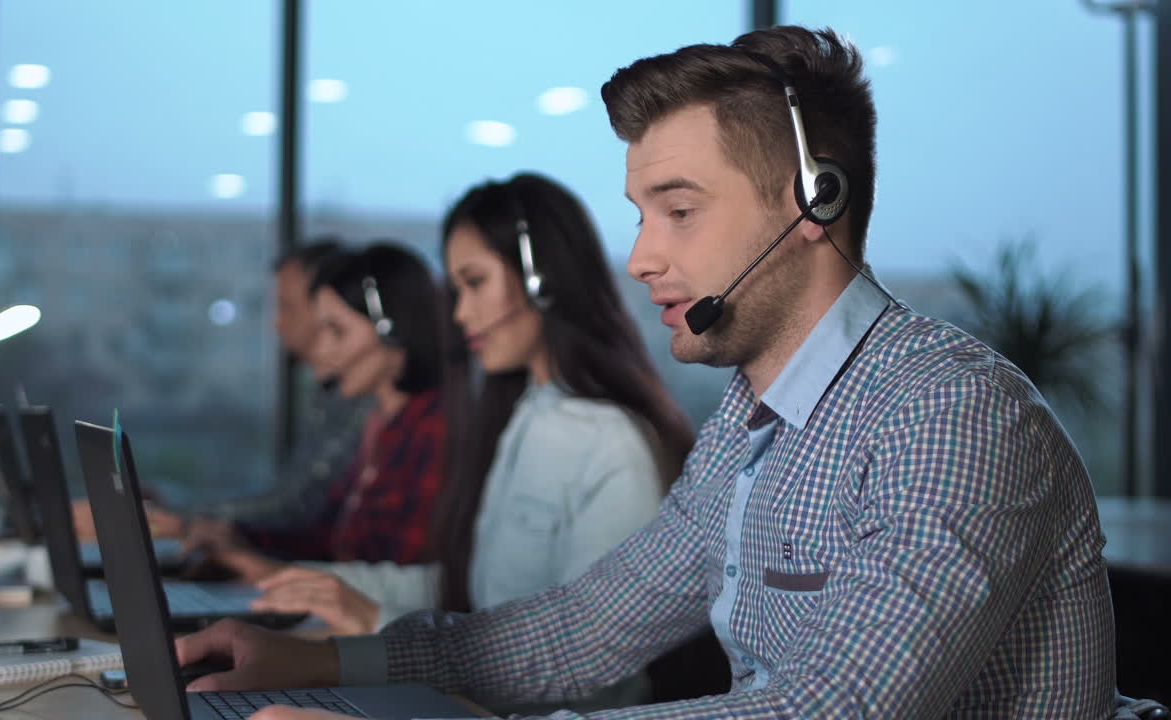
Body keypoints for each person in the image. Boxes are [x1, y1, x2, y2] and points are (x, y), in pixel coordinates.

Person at [174, 26, 1116, 718]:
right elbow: (584, 629)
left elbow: (838, 708)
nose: (639, 260)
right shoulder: (753, 425)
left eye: (678, 211)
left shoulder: (952, 411)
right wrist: (326, 663)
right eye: (639, 215)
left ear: (812, 203)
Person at [243, 173, 696, 715]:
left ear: (539, 279)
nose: (459, 315)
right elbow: (472, 589)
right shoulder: (524, 413)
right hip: (465, 695)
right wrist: (313, 583)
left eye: (474, 283)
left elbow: (593, 667)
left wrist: (374, 628)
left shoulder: (613, 445)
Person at [70, 240, 366, 544]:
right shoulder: (331, 394)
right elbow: (288, 498)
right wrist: (170, 506)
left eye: (288, 307)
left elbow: (295, 510)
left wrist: (176, 519)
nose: (276, 323)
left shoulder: (362, 399)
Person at [203, 243, 448, 581]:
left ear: (392, 330)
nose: (321, 351)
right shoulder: (379, 423)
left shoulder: (435, 429)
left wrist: (279, 572)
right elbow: (327, 537)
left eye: (337, 331)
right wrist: (240, 539)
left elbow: (406, 576)